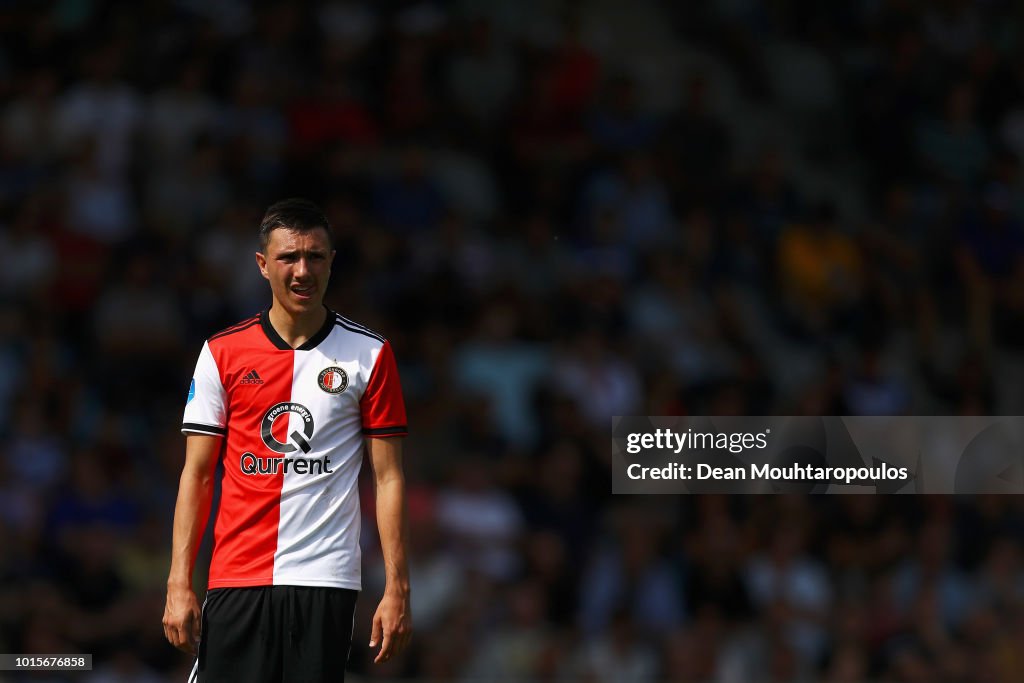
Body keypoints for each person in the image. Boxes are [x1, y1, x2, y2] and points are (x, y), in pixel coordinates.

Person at [162, 198, 411, 682]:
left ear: (332, 262)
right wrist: (178, 581)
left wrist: (397, 587)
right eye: (288, 258)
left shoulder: (370, 355)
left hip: (326, 578)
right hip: (237, 575)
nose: (303, 271)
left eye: (315, 257)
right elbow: (197, 474)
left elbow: (388, 477)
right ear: (262, 265)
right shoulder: (222, 353)